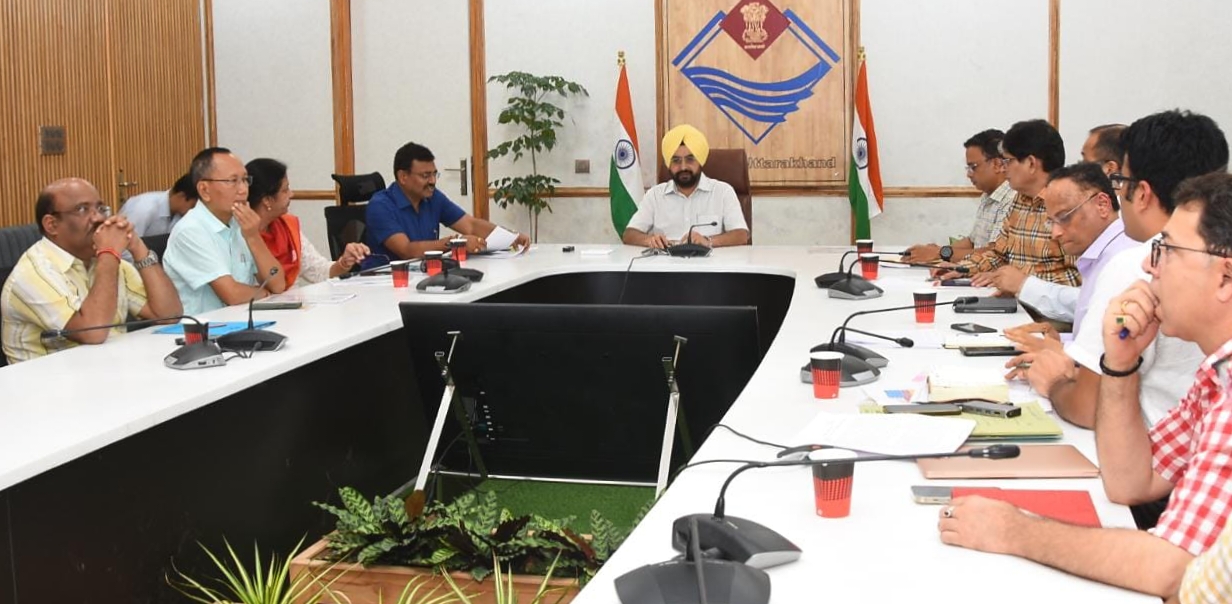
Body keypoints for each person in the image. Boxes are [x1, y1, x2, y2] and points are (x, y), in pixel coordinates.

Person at [938, 172, 1232, 600]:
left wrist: (1015, 530)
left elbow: (1171, 568)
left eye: (1166, 250)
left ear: (1225, 277)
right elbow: (1130, 484)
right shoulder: (1215, 376)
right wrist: (1119, 363)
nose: (1148, 266)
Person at [1007, 110, 1226, 432]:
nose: (1117, 194)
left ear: (1142, 193)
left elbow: (1087, 407)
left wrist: (1053, 381)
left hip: (1147, 444)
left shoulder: (1137, 261)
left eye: (1120, 182)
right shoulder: (1215, 255)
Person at [1, 178, 182, 363]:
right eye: (82, 209)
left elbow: (169, 315)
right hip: (46, 378)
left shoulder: (106, 263)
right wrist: (109, 252)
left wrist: (138, 248)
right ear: (52, 225)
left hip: (107, 368)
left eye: (100, 208)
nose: (98, 218)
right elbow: (93, 332)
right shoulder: (33, 273)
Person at [936, 119, 1079, 292]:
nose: (1004, 169)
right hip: (1014, 299)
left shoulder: (1070, 203)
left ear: (1031, 163)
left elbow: (1077, 278)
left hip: (1046, 306)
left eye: (1008, 161)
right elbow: (999, 255)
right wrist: (963, 269)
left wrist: (1021, 281)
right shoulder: (1020, 199)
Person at [1008, 163, 1136, 330]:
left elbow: (1116, 336)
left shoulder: (1123, 260)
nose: (1055, 233)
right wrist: (1059, 340)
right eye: (1051, 222)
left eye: (1064, 217)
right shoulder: (1102, 252)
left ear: (1102, 205)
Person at [163, 147, 287, 314]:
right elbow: (232, 294)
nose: (243, 190)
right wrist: (264, 293)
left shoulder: (239, 224)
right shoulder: (190, 230)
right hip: (204, 327)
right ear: (204, 190)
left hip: (241, 320)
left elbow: (278, 284)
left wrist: (253, 236)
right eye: (232, 181)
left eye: (245, 180)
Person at [365, 142, 529, 260]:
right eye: (425, 176)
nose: (432, 181)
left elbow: (470, 225)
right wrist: (456, 243)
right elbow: (407, 250)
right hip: (386, 282)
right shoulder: (380, 206)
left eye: (434, 174)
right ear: (403, 177)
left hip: (425, 274)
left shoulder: (433, 197)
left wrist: (509, 237)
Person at [622, 124, 750, 250]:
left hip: (709, 262)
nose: (683, 167)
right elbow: (629, 234)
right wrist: (650, 240)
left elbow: (741, 235)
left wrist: (708, 241)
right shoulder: (654, 195)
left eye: (690, 159)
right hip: (665, 262)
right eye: (676, 160)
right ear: (668, 164)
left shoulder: (723, 192)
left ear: (700, 161)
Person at [246, 158, 369, 286]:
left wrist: (343, 262)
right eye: (285, 190)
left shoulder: (287, 225)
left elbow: (318, 271)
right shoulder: (242, 235)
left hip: (294, 297)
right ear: (267, 200)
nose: (291, 194)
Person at [902, 129, 1016, 263]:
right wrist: (936, 251)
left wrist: (940, 253)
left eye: (973, 167)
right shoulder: (988, 195)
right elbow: (972, 241)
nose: (969, 174)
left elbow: (994, 254)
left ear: (997, 164)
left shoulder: (1012, 199)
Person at [118, 173, 198, 238]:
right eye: (193, 206)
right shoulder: (143, 209)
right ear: (182, 196)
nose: (195, 210)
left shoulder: (179, 214)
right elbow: (124, 246)